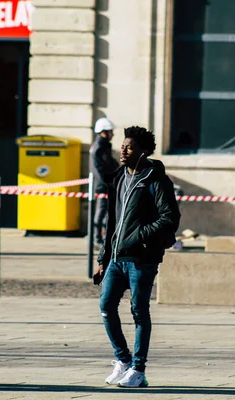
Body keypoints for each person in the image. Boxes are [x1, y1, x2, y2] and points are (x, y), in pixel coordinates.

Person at [93, 126, 180, 388]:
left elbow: (170, 218)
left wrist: (140, 234)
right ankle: (123, 360)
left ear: (143, 152)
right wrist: (102, 258)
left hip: (142, 258)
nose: (123, 150)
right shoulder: (119, 178)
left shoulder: (156, 180)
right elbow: (113, 223)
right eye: (122, 146)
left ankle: (138, 370)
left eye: (129, 147)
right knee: (106, 307)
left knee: (139, 311)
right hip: (116, 258)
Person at [90, 117, 120, 245]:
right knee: (102, 211)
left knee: (108, 212)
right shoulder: (99, 148)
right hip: (103, 185)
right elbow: (99, 169)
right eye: (110, 131)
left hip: (106, 184)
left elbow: (111, 164)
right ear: (103, 132)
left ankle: (104, 237)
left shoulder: (103, 146)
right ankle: (97, 239)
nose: (112, 134)